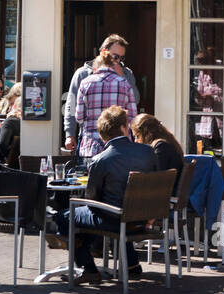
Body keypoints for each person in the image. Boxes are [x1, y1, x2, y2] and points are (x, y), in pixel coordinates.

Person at [47, 106, 158, 284]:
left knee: (64, 217)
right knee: (89, 218)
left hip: (114, 219)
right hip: (142, 219)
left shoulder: (100, 160)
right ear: (124, 128)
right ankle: (131, 265)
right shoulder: (148, 152)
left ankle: (88, 268)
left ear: (101, 135)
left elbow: (91, 199)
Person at [64, 35, 138, 153]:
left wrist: (122, 76)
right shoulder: (83, 74)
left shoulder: (126, 74)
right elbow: (71, 105)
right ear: (104, 52)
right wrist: (69, 134)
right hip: (91, 138)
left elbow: (136, 100)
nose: (118, 61)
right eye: (115, 56)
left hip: (116, 141)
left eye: (122, 58)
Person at [73, 57, 138, 158]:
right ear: (113, 66)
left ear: (95, 67)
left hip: (92, 146)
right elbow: (133, 117)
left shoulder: (85, 83)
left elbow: (79, 117)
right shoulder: (124, 83)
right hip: (120, 147)